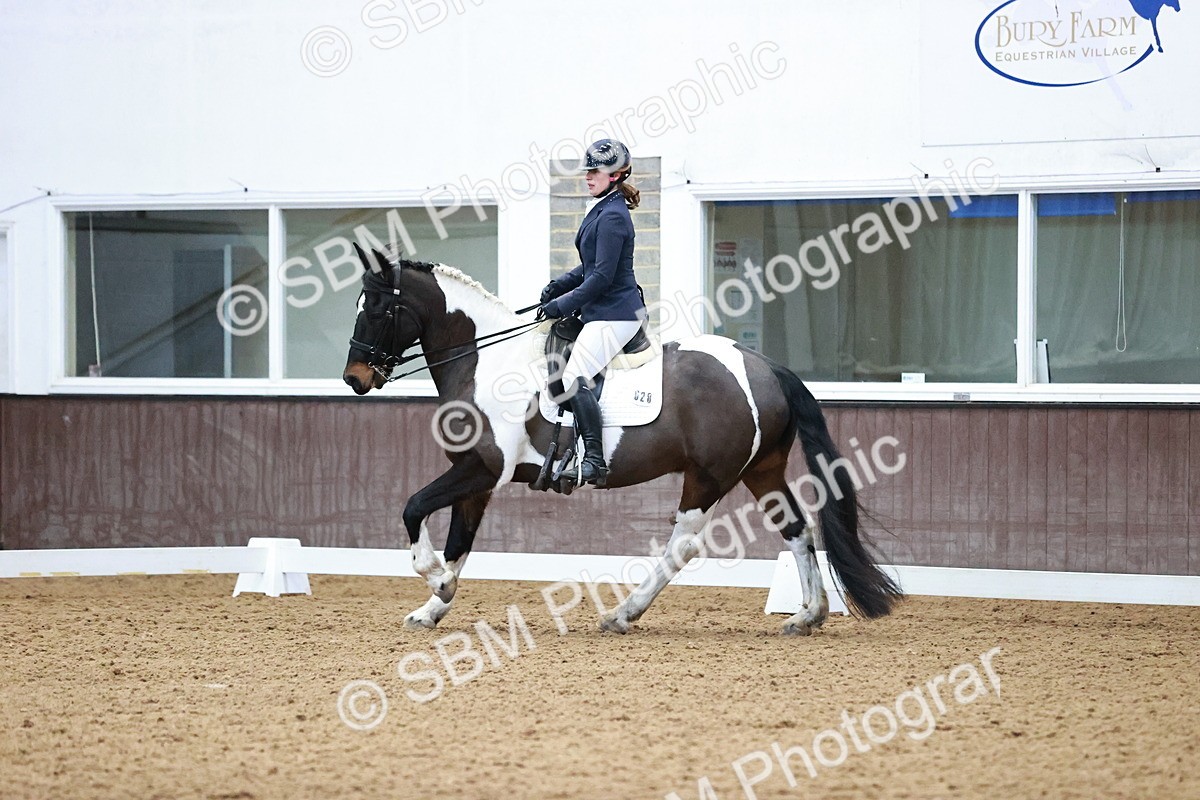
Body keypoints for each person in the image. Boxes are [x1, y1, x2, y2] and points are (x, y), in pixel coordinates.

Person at [539, 139, 645, 487]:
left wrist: (562, 305)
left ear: (615, 175)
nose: (587, 176)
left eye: (594, 171)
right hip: (601, 311)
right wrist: (558, 285)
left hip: (615, 314)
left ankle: (595, 462)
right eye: (587, 170)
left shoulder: (613, 216)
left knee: (572, 379)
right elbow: (589, 266)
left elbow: (601, 278)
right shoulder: (602, 208)